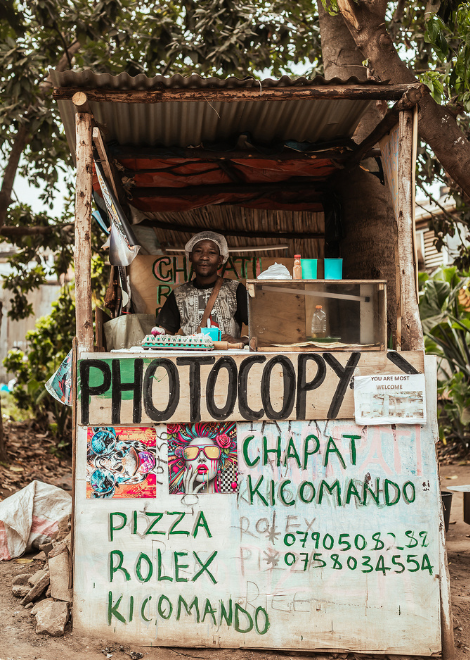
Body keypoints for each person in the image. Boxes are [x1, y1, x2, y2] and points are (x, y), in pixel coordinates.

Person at [156, 231, 248, 343]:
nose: (204, 257)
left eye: (212, 253)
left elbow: (261, 328)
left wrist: (240, 340)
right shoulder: (178, 294)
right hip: (190, 359)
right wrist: (159, 334)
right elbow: (165, 333)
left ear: (220, 259)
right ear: (190, 256)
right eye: (198, 251)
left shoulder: (235, 289)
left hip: (230, 359)